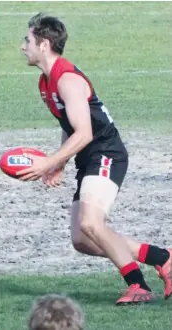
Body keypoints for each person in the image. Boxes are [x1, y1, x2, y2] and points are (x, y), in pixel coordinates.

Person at [18, 12, 172, 305]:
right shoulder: (45, 82)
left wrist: (48, 162)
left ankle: (138, 285)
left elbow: (85, 133)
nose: (22, 46)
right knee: (83, 239)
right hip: (88, 159)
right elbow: (71, 126)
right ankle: (162, 258)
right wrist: (61, 164)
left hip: (106, 153)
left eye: (27, 40)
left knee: (91, 224)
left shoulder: (67, 79)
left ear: (44, 44)